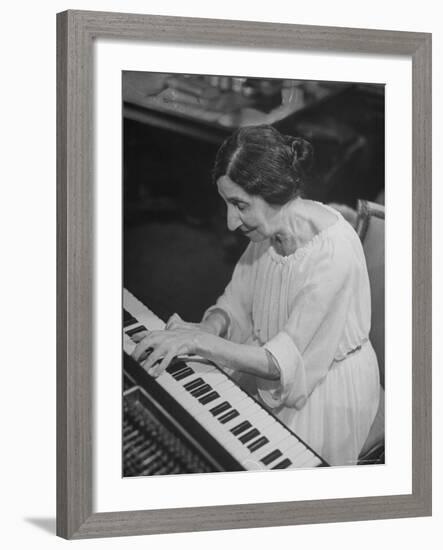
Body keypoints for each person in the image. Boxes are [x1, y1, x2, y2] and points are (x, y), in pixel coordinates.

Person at [132, 124, 380, 467]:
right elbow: (235, 302)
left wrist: (197, 343)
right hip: (269, 364)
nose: (231, 222)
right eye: (227, 204)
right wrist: (207, 328)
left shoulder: (331, 251)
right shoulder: (267, 229)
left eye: (239, 205)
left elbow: (282, 363)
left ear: (273, 192)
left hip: (324, 388)